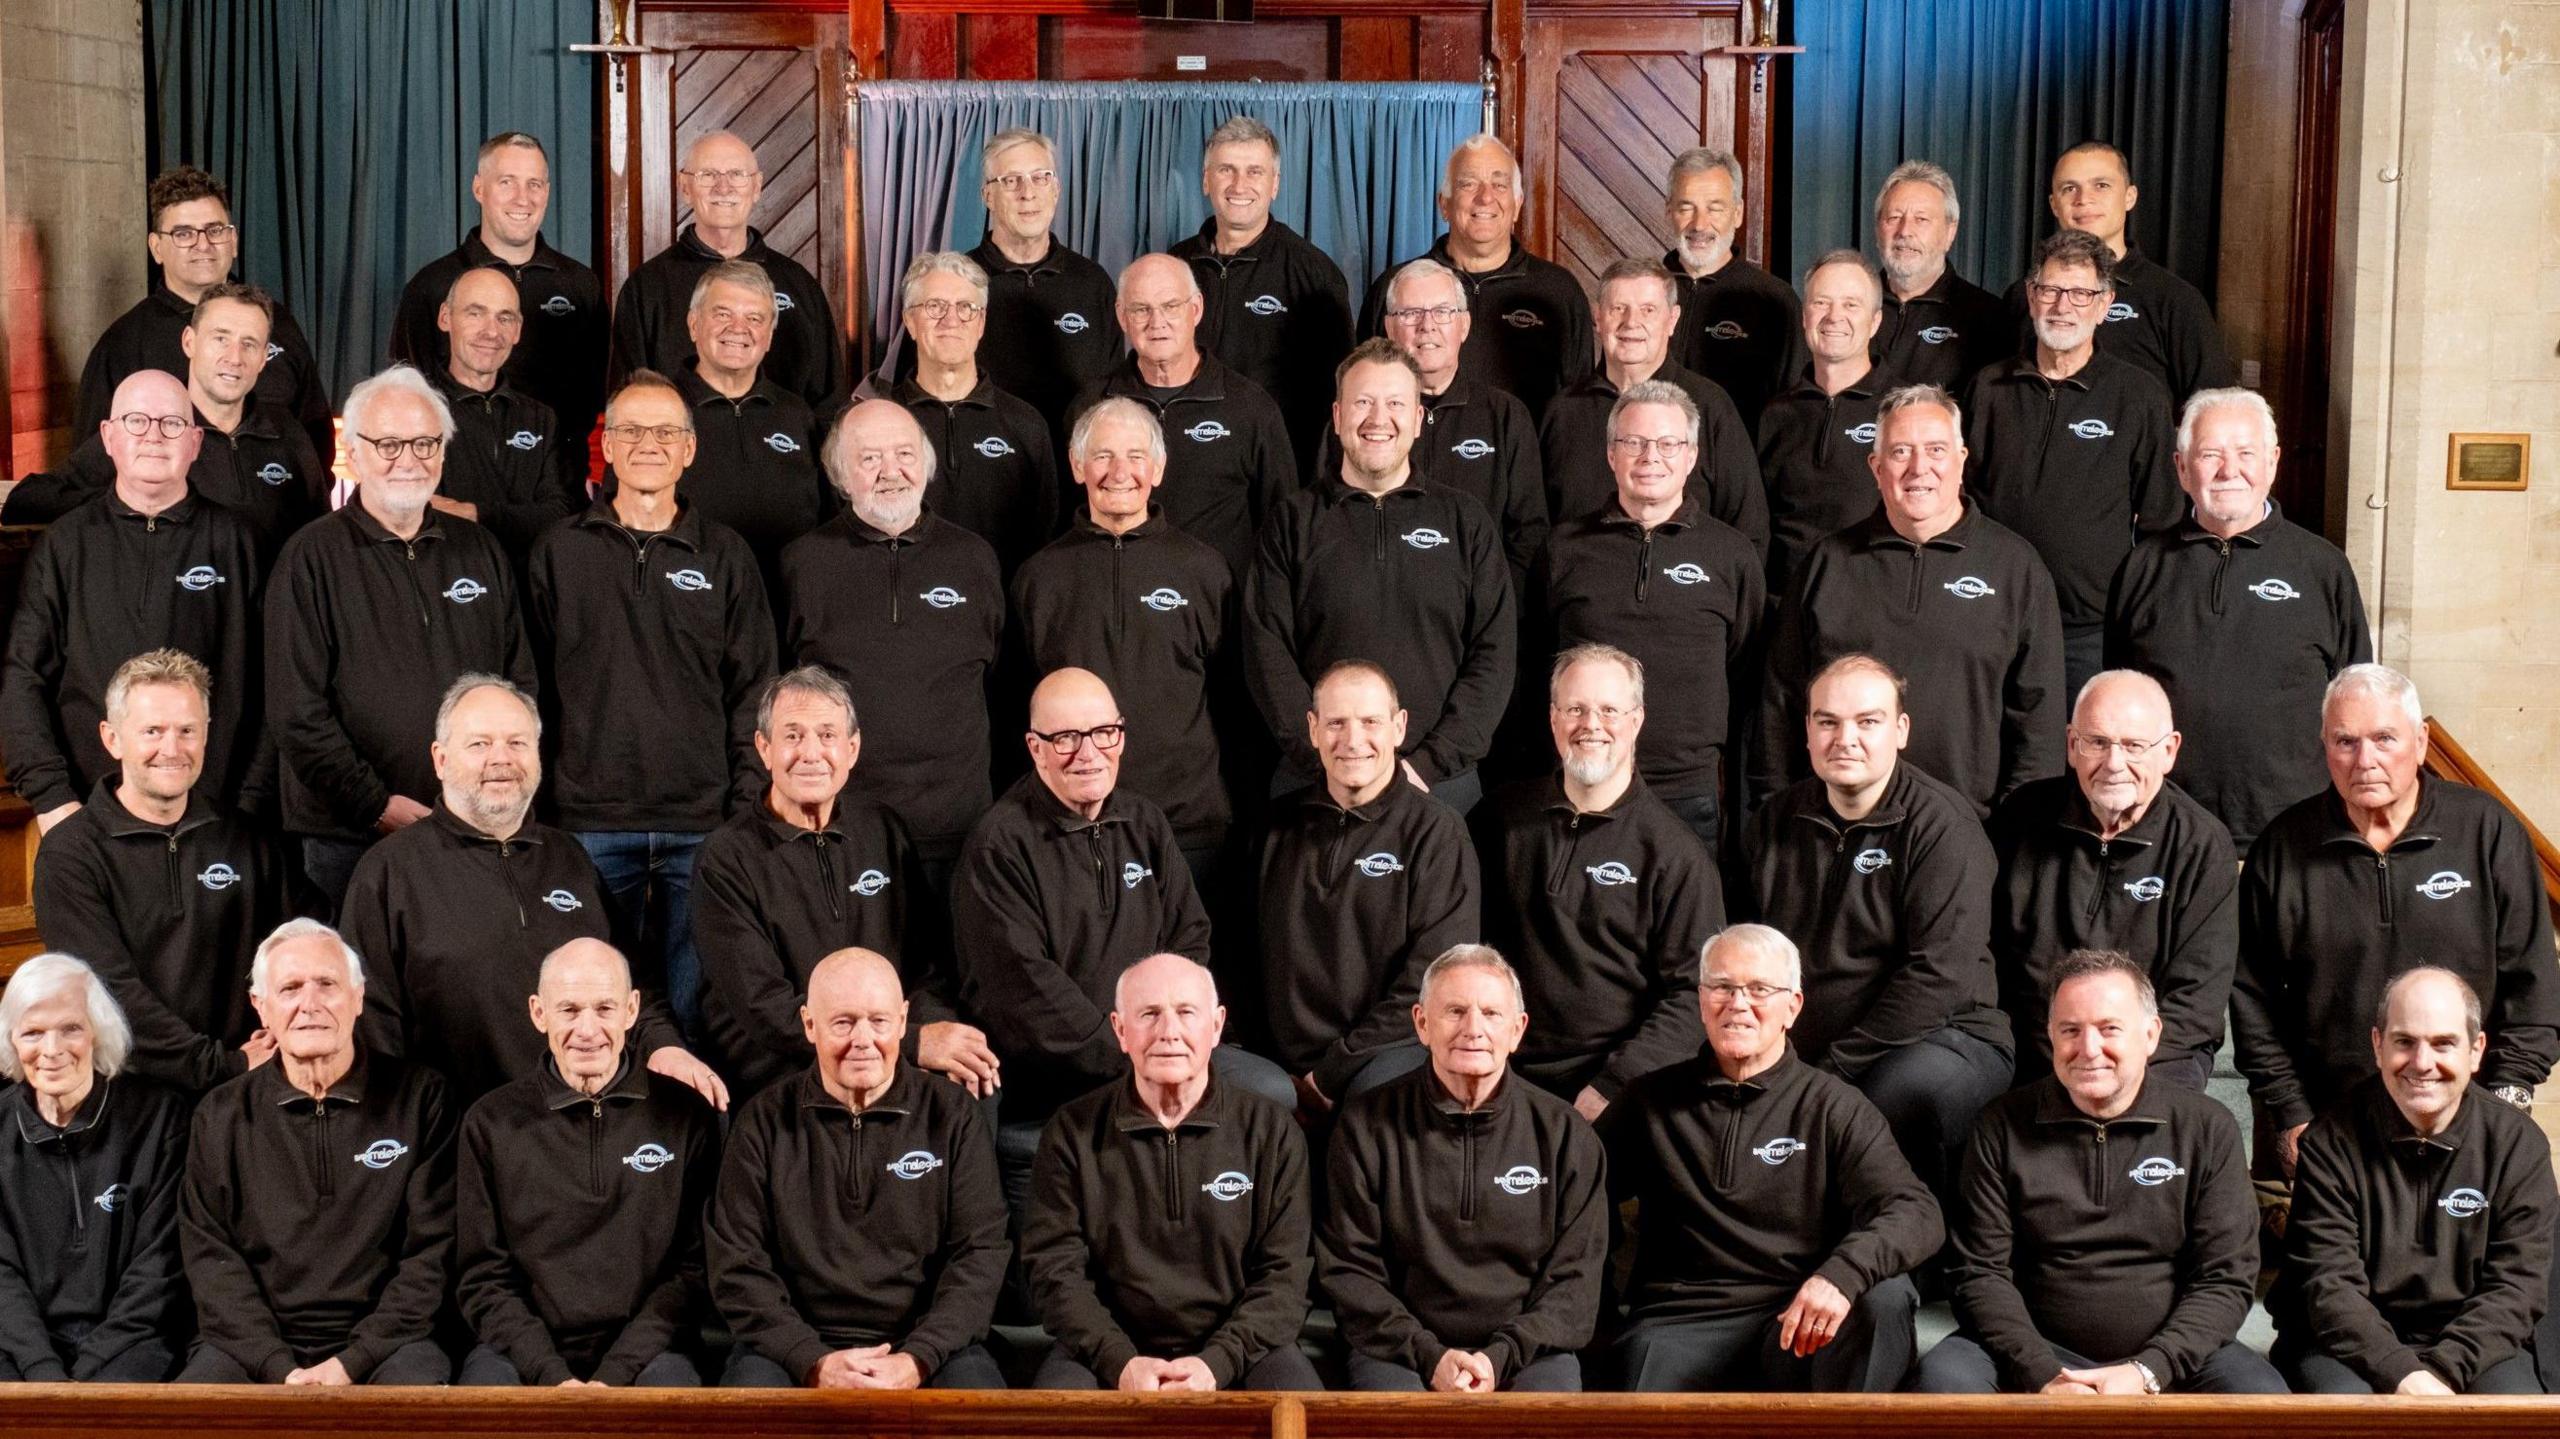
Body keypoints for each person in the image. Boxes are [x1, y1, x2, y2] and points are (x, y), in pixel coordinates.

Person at [954, 669, 1284, 1193]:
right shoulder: (999, 847)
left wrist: (1169, 1037)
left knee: (1273, 1092)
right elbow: (1025, 991)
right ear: (1035, 748)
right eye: (1065, 738)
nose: (1088, 753)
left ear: (1121, 737)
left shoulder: (1144, 821)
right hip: (1058, 1076)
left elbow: (1189, 940)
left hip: (1158, 1051)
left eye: (1103, 733)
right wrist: (1134, 1057)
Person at [529, 370, 777, 1044]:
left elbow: (755, 689)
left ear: (690, 449)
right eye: (631, 430)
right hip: (585, 823)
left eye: (666, 431)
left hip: (702, 825)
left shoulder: (726, 556)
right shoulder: (559, 552)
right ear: (606, 446)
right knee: (592, 1013)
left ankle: (689, 1145)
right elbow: (532, 689)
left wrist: (743, 807)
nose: (648, 443)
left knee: (699, 1017)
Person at [2234, 665, 2559, 1177]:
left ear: (2422, 740)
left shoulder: (2488, 831)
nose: (2365, 760)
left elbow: (2534, 983)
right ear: (2324, 745)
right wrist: (2290, 1114)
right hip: (2323, 1130)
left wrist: (2505, 1107)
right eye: (2346, 741)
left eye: (2385, 738)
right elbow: (2251, 1001)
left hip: (2465, 1125)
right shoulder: (2281, 848)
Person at [342, 676, 721, 1110]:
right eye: (479, 745)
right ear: (440, 759)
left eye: (517, 743)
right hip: (454, 1137)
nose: (501, 759)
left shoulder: (570, 858)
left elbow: (631, 979)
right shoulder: (389, 872)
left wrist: (663, 1046)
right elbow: (371, 1029)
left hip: (579, 1130)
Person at [1920, 951, 2279, 1394]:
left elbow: (2225, 1278)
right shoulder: (2000, 1126)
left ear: (2150, 1035)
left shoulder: (2208, 1128)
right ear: (2051, 1035)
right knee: (1943, 1382)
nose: (2088, 1049)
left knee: (2262, 1399)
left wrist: (2149, 1369)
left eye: (2110, 1029)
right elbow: (1978, 1273)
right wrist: (2041, 1372)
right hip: (2032, 1347)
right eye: (2070, 1030)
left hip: (2170, 1351)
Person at [1603, 924, 1940, 1392]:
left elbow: (1914, 1210)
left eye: (1759, 989)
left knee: (1883, 1298)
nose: (1737, 1003)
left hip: (1797, 1316)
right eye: (1721, 986)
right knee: (1634, 1380)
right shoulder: (1646, 1102)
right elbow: (1575, 1199)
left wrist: (1841, 1276)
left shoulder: (1833, 1106)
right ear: (1701, 1000)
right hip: (1681, 1320)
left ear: (1792, 1007)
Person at [1737, 655, 2013, 1216]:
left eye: (1868, 721)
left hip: (1944, 1035)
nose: (1847, 739)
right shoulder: (1773, 822)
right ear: (1808, 732)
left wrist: (1833, 1069)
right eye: (1828, 722)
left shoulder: (1942, 827)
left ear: (1901, 731)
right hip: (1812, 1041)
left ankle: (1922, 1253)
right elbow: (1748, 946)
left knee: (1895, 1093)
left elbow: (1938, 977)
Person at [265, 363, 536, 905]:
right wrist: (374, 804)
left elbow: (518, 685)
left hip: (471, 824)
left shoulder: (479, 550)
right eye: (388, 444)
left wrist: (486, 795)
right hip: (349, 836)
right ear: (356, 453)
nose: (408, 460)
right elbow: (297, 711)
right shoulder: (310, 558)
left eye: (424, 443)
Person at [1756, 383, 2066, 816]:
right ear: (1876, 467)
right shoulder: (1827, 565)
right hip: (1838, 826)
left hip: (1971, 831)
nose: (1919, 468)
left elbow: (2039, 724)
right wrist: (1777, 813)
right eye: (1901, 452)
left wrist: (2019, 835)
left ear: (1961, 462)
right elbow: (1780, 705)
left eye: (1936, 450)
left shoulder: (2017, 569)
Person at [708, 948, 1010, 1389]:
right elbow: (737, 1266)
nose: (863, 1040)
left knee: (986, 1417)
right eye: (843, 1023)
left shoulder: (954, 1116)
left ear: (904, 1021)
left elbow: (980, 1254)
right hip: (791, 1348)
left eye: (879, 1021)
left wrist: (917, 1359)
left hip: (923, 1345)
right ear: (809, 1025)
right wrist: (812, 1361)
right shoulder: (762, 1122)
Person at [176, 919, 456, 1385]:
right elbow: (212, 1263)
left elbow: (432, 1255)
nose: (310, 1004)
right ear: (261, 1009)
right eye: (289, 989)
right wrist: (277, 1366)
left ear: (358, 996)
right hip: (252, 1348)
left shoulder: (423, 1099)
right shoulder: (219, 1115)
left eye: (327, 984)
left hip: (388, 1344)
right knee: (185, 1419)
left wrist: (354, 1361)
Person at [1023, 953, 1319, 1391]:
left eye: (1185, 1013)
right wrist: (1120, 1361)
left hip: (1242, 1346)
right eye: (1148, 1015)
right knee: (1048, 1421)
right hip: (1108, 1346)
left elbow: (1286, 1278)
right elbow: (1054, 1274)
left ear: (1216, 1026)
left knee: (1306, 1414)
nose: (1168, 1033)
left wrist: (1217, 1363)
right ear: (1121, 1030)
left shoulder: (1272, 1131)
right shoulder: (1071, 1133)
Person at [1319, 945, 1605, 1391]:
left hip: (1528, 1352)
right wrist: (1428, 1355)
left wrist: (1501, 1356)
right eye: (1455, 1011)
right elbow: (1350, 1271)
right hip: (1398, 1350)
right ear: (1421, 1023)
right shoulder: (1364, 1126)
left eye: (1491, 1013)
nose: (1473, 1029)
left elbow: (1576, 1282)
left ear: (1517, 1030)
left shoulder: (1566, 1135)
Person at [1246, 340, 1515, 810]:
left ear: (1416, 419)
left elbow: (1494, 655)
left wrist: (1429, 765)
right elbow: (1265, 653)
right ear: (1337, 415)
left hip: (1440, 787)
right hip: (1316, 783)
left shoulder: (1465, 521)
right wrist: (1330, 762)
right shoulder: (1292, 522)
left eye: (1394, 403)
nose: (1377, 419)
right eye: (1363, 403)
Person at [2105, 386, 2371, 847]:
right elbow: (2116, 706)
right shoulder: (2141, 569)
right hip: (2164, 832)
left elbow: (2359, 706)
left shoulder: (2323, 569)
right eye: (2210, 455)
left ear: (2272, 462)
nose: (2230, 470)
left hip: (2296, 835)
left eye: (2246, 453)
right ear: (2182, 468)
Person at [693, 668, 978, 1100]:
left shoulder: (883, 831)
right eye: (792, 736)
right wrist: (915, 1043)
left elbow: (924, 968)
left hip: (883, 1052)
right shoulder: (726, 859)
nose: (811, 753)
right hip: (785, 1069)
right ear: (764, 749)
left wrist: (941, 1035)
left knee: (974, 1081)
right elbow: (765, 1010)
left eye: (827, 736)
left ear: (852, 748)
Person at [1, 369, 266, 828]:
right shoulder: (65, 545)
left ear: (195, 441)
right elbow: (23, 679)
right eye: (136, 421)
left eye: (171, 423)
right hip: (87, 816)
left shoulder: (240, 544)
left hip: (217, 818)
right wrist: (52, 798)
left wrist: (251, 802)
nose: (154, 436)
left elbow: (273, 687)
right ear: (107, 437)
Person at [2275, 967, 2554, 1394]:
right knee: (2344, 1415)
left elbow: (2517, 1288)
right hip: (2342, 1344)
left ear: (2476, 1050)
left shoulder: (2519, 1145)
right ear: (2377, 1045)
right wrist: (2403, 1374)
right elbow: (2329, 1287)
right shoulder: (2329, 1143)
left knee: (2516, 1418)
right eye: (2404, 1042)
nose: (2423, 1063)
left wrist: (2441, 1371)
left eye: (2444, 1043)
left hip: (2476, 1343)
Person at [454, 940, 721, 1386]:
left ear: (632, 1010)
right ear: (539, 1013)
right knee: (483, 1405)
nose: (588, 1029)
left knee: (672, 1400)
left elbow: (694, 1272)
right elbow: (483, 1278)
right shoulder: (490, 1122)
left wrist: (613, 1376)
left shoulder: (685, 1115)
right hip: (524, 1352)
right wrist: (551, 1375)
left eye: (604, 1008)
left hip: (651, 1352)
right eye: (569, 1010)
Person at [1472, 645, 1722, 1121]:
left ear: (1636, 721)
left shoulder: (1674, 854)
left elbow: (1694, 993)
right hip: (1493, 1065)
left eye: (1609, 710)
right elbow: (1457, 946)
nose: (1591, 724)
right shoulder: (1497, 820)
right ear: (1552, 719)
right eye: (1575, 709)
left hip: (1605, 1084)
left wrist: (1613, 1085)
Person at [31, 650, 292, 1092]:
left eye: (187, 731)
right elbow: (108, 993)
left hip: (247, 1088)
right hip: (129, 1104)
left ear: (206, 735)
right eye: (152, 731)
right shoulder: (70, 854)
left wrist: (279, 1031)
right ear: (112, 738)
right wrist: (218, 1065)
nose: (172, 749)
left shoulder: (248, 840)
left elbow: (298, 944)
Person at [1534, 381, 1764, 854]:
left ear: (1691, 456)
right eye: (1633, 443)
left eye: (1667, 444)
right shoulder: (1563, 550)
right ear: (1611, 454)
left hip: (1688, 791)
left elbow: (1744, 673)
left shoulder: (1731, 556)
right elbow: (1534, 661)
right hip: (1580, 780)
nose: (1649, 457)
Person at [1011, 399, 1234, 871]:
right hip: (1069, 824)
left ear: (1158, 468)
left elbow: (1234, 700)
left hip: (1189, 827)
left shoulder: (1205, 570)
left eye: (1135, 456)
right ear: (1076, 466)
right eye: (1102, 455)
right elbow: (1015, 702)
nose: (1119, 472)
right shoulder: (1038, 578)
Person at [781, 400, 1004, 868]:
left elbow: (1002, 682)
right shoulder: (802, 563)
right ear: (841, 477)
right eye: (869, 458)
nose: (891, 471)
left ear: (926, 465)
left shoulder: (975, 559)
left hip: (960, 828)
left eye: (904, 454)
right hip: (842, 827)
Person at [1989, 672, 2236, 1091]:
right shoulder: (2020, 817)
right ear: (2071, 745)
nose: (2114, 764)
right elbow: (1989, 958)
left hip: (2153, 1054)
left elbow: (2195, 1003)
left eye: (2134, 746)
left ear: (2169, 751)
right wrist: (2061, 1057)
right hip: (2033, 1046)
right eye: (2097, 743)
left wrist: (2107, 1069)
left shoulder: (2202, 845)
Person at [1964, 229, 2178, 696]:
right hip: (1991, 613)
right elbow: (1964, 500)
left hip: (2090, 633)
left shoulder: (2139, 397)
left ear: (2104, 305)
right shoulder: (1987, 388)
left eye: (2081, 294)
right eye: (2051, 290)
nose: (2063, 306)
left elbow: (2161, 524)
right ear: (2030, 296)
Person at [1259, 662, 1481, 1109]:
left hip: (1383, 1056)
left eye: (1370, 722)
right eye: (1337, 723)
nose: (1353, 740)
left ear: (1399, 728)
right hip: (1280, 1065)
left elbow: (1432, 981)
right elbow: (1243, 958)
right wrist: (1275, 1066)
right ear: (1313, 729)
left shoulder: (1436, 833)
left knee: (1377, 1096)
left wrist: (1329, 1075)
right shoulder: (1273, 828)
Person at [4, 283, 327, 548]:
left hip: (271, 621)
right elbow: (29, 500)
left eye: (249, 344)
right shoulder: (150, 431)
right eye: (220, 339)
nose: (234, 357)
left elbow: (321, 539)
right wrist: (135, 502)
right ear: (189, 342)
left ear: (263, 359)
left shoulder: (289, 435)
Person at [0, 954, 190, 1382]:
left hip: (133, 1341)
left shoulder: (160, 1118)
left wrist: (86, 1383)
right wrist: (43, 1372)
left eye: (71, 1029)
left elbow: (158, 1270)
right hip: (21, 1345)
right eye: (32, 1032)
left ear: (97, 1034)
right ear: (12, 1041)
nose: (52, 1051)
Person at [74, 165, 330, 459]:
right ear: (157, 247)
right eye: (183, 234)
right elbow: (92, 458)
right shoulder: (123, 345)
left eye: (214, 230)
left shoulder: (276, 321)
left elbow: (315, 432)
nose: (203, 244)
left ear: (232, 241)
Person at [390, 131, 608, 476]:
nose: (523, 199)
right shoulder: (431, 286)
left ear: (548, 192)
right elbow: (408, 391)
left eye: (535, 184)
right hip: (457, 481)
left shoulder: (580, 284)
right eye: (507, 182)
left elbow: (593, 392)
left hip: (556, 485)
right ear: (479, 189)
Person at [1067, 253, 1297, 574]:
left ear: (1196, 309)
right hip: (1114, 597)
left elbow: (1282, 525)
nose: (1156, 322)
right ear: (1121, 316)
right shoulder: (1090, 406)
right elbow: (1067, 519)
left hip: (1219, 609)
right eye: (1141, 309)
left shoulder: (1250, 407)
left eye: (1171, 306)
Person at [1538, 258, 1768, 554]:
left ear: (1672, 320)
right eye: (1618, 308)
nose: (1631, 322)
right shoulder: (1561, 413)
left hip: (1688, 594)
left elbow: (1750, 531)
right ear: (1597, 318)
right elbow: (1537, 528)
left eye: (1648, 310)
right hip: (1583, 594)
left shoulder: (1710, 406)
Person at [1359, 134, 1592, 418]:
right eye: (1468, 184)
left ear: (1517, 204)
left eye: (1499, 184)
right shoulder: (1396, 288)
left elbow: (1580, 411)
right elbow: (1364, 393)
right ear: (1444, 204)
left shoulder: (1559, 292)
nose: (1485, 197)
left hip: (1527, 462)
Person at [1170, 114, 1355, 466]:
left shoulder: (1313, 273)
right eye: (1226, 170)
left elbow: (1339, 395)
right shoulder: (1173, 267)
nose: (1239, 185)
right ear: (1206, 180)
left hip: (1278, 466)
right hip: (1184, 459)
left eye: (1254, 171)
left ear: (1275, 184)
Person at [611, 129, 841, 410]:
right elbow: (627, 402)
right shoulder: (647, 288)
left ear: (757, 187)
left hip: (781, 451)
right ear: (685, 188)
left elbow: (829, 401)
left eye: (736, 175)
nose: (723, 187)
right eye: (708, 175)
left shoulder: (799, 284)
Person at [1364, 259, 1548, 586]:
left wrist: (1492, 611)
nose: (1427, 326)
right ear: (1390, 328)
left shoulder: (1506, 416)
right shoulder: (1362, 418)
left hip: (1478, 617)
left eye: (1442, 312)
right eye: (1410, 313)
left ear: (1463, 325)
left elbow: (1528, 535)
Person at [2012, 140, 2236, 407]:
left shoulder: (2175, 300)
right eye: (2069, 188)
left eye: (2101, 185)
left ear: (2130, 197)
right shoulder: (2022, 296)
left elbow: (2216, 407)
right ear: (2053, 204)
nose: (2084, 199)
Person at [884, 250, 1058, 578]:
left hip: (1002, 615)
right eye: (934, 306)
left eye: (965, 308)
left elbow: (1044, 539)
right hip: (904, 615)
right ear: (909, 321)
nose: (951, 320)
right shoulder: (878, 423)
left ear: (980, 324)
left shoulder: (1026, 425)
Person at [673, 260, 831, 600]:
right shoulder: (659, 411)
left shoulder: (797, 415)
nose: (738, 328)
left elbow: (828, 517)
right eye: (722, 314)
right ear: (693, 324)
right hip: (687, 602)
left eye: (754, 318)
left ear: (770, 335)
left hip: (785, 604)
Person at [965, 128, 1120, 450]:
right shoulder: (957, 283)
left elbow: (1113, 392)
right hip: (985, 467)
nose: (1028, 193)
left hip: (1073, 476)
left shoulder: (1093, 283)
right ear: (987, 196)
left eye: (1040, 177)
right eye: (1010, 180)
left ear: (1056, 190)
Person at [419, 266, 579, 557]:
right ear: (445, 317)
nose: (491, 331)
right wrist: (520, 519)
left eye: (504, 318)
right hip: (445, 581)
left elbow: (560, 514)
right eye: (475, 313)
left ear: (517, 330)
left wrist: (473, 513)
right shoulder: (415, 411)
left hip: (525, 588)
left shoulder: (540, 418)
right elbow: (417, 512)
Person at [1756, 250, 1889, 597]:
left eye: (1851, 305)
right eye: (1821, 303)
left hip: (1869, 603)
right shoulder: (1776, 414)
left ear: (1875, 321)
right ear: (1804, 316)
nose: (1833, 317)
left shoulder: (1901, 411)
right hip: (1783, 606)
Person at [1658, 146, 1799, 426]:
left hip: (1738, 467)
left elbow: (1792, 411)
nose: (1700, 224)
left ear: (1737, 213)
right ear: (1669, 211)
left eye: (1715, 208)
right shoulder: (1643, 292)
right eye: (1687, 207)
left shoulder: (1775, 301)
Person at [1868, 161, 2006, 389]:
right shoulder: (1850, 309)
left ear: (1950, 232)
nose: (1904, 231)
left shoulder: (1989, 318)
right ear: (1877, 229)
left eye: (1921, 219)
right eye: (1894, 218)